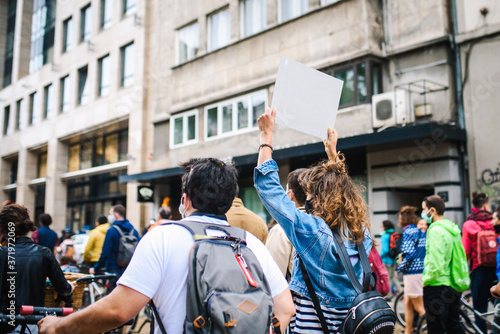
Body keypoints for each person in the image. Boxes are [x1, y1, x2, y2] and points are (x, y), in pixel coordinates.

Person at [38, 158, 295, 334]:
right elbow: (286, 309)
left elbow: (117, 311)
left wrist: (57, 327)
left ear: (185, 199)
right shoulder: (249, 242)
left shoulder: (163, 237)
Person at [254, 107, 372, 333]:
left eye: (308, 195)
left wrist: (266, 138)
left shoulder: (311, 231)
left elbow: (269, 189)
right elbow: (342, 189)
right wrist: (333, 156)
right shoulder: (359, 233)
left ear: (317, 199)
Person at [0, 204, 73, 334]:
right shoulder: (44, 253)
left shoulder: (2, 253)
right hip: (33, 323)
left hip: (5, 323)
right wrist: (70, 288)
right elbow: (63, 288)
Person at [422, 195, 465, 334]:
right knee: (454, 326)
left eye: (424, 209)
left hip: (436, 286)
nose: (423, 214)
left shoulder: (435, 230)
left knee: (436, 329)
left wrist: (427, 280)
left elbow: (435, 262)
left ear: (432, 210)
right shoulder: (452, 229)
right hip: (453, 285)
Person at [462, 191, 497, 334]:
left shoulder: (469, 224)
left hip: (479, 269)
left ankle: (482, 332)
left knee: (479, 308)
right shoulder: (494, 221)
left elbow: (465, 252)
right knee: (497, 302)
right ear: (485, 205)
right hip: (496, 269)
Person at [266, 168, 307, 281]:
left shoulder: (281, 230)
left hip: (294, 297)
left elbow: (272, 279)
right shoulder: (326, 225)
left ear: (290, 194)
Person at [92, 205, 139, 291]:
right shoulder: (134, 231)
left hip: (113, 269)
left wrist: (96, 268)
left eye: (110, 213)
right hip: (129, 270)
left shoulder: (112, 231)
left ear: (116, 215)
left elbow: (105, 253)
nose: (109, 216)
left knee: (112, 296)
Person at [397, 206, 426, 334]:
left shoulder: (408, 232)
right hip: (420, 270)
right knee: (407, 302)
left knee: (419, 307)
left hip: (412, 273)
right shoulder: (419, 231)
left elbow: (408, 253)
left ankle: (435, 329)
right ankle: (408, 331)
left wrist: (400, 266)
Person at [380, 219, 401, 296]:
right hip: (394, 260)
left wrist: (379, 257)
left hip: (387, 260)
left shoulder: (385, 236)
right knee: (392, 277)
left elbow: (385, 250)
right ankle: (401, 291)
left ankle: (388, 295)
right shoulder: (394, 234)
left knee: (388, 278)